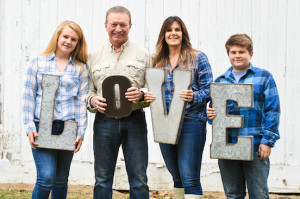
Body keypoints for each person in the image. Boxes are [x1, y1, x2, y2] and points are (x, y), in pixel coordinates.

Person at [145, 16, 213, 198]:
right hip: (164, 124)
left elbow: (210, 90)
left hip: (191, 122)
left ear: (183, 34)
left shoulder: (198, 57)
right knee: (177, 177)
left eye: (177, 29)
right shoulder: (157, 60)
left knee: (190, 177)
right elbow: (149, 88)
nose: (173, 33)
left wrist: (194, 96)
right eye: (169, 30)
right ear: (163, 35)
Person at [86, 6, 151, 199]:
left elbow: (153, 88)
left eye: (123, 24)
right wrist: (92, 100)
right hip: (104, 121)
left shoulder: (144, 54)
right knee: (102, 179)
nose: (118, 29)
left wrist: (141, 94)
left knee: (139, 180)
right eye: (113, 24)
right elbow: (88, 91)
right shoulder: (93, 56)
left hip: (135, 120)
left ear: (130, 26)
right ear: (106, 26)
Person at [207, 34, 280, 199]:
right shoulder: (221, 81)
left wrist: (267, 141)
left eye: (241, 51)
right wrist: (210, 115)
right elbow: (215, 113)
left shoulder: (264, 77)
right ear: (228, 55)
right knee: (233, 195)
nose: (237, 55)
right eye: (233, 52)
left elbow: (273, 110)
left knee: (259, 195)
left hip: (255, 145)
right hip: (227, 146)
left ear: (250, 54)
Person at [23, 21, 89, 199]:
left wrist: (81, 131)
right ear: (58, 37)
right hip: (41, 126)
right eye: (65, 37)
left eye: (73, 39)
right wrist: (30, 126)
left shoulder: (80, 69)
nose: (68, 41)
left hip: (68, 127)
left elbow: (81, 102)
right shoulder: (38, 63)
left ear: (78, 43)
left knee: (61, 180)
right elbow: (28, 96)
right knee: (46, 177)